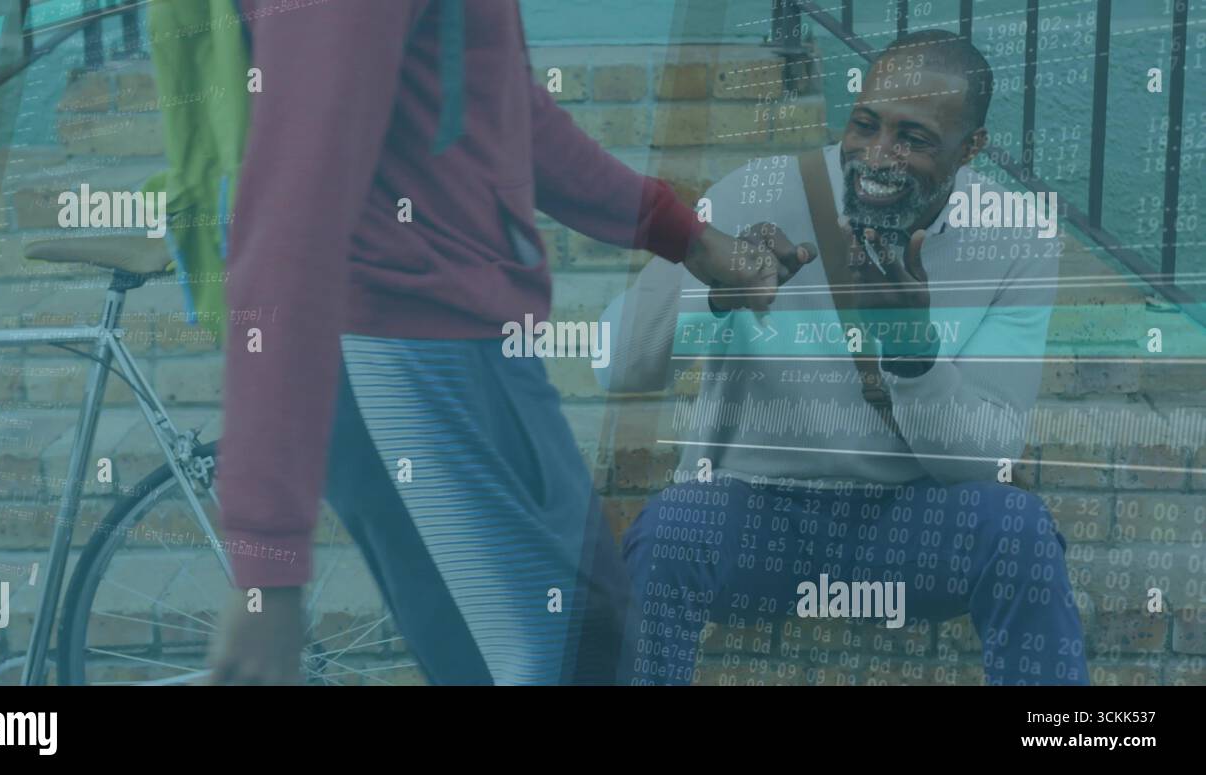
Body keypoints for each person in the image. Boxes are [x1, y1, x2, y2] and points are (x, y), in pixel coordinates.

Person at [205, 0, 783, 685]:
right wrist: (267, 567)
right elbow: (290, 217)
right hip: (398, 360)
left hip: (483, 352)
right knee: (550, 664)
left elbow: (505, 113)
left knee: (604, 649)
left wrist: (689, 238)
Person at [599, 30, 1089, 685]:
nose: (876, 156)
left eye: (913, 138)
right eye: (865, 124)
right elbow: (614, 362)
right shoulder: (755, 193)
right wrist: (713, 290)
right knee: (670, 530)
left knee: (1018, 530)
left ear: (971, 148)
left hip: (908, 523)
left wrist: (914, 356)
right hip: (755, 511)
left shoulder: (1017, 236)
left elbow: (985, 458)